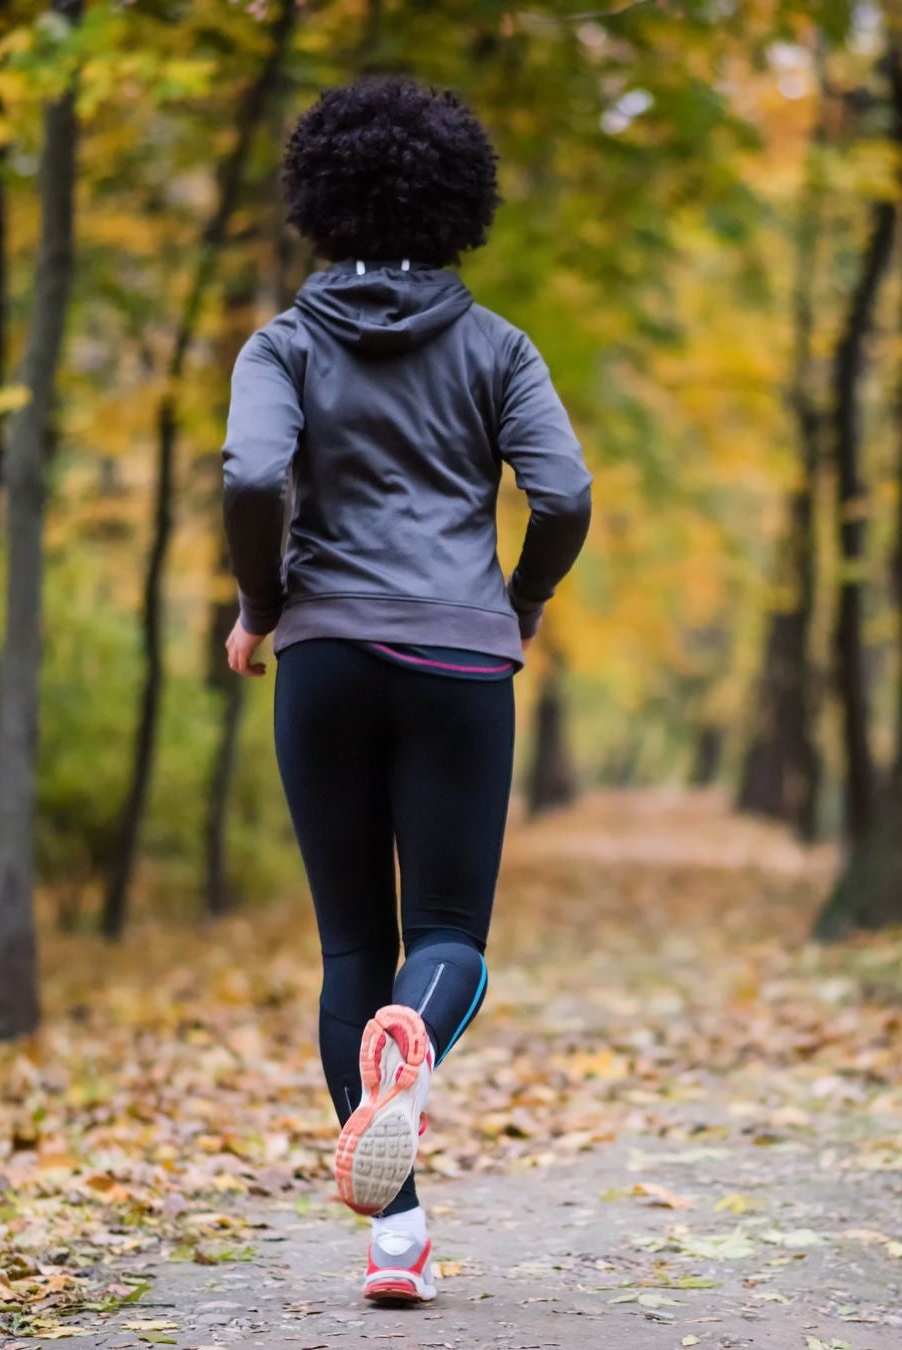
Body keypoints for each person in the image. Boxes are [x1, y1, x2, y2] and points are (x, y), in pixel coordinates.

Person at [218, 76, 593, 1307]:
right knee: (445, 937)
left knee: (349, 947)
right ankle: (415, 1053)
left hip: (324, 657)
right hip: (459, 662)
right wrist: (521, 600)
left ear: (320, 202)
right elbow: (566, 494)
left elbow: (251, 476)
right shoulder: (499, 348)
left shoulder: (281, 345)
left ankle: (397, 1242)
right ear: (456, 204)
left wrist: (263, 604)